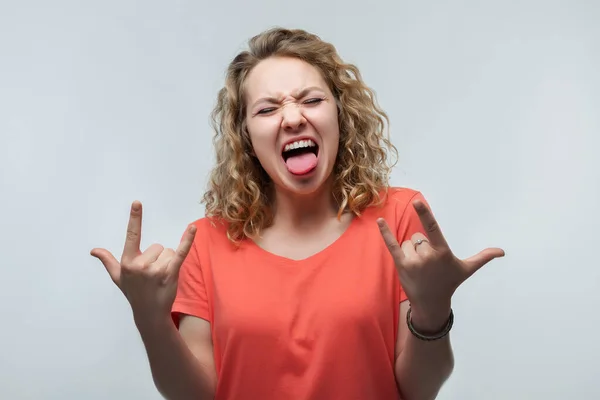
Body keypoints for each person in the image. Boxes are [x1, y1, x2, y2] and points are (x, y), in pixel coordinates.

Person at [91, 27, 504, 400]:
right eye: (267, 110)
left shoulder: (397, 219)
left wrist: (432, 310)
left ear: (340, 115)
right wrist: (149, 318)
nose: (292, 118)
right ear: (247, 137)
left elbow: (420, 390)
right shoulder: (204, 243)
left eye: (311, 100)